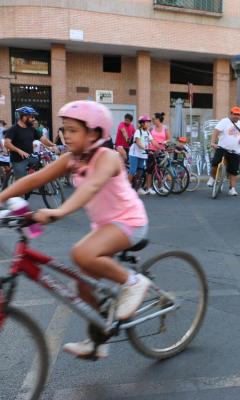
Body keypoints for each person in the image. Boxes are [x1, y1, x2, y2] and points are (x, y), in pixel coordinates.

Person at [0, 100, 150, 358]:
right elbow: (35, 179)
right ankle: (98, 339)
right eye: (64, 129)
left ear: (93, 133)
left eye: (72, 130)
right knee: (83, 283)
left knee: (81, 253)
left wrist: (59, 211)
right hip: (104, 227)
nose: (65, 136)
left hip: (129, 222)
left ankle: (134, 282)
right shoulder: (71, 159)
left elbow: (92, 186)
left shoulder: (109, 157)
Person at [4, 106, 55, 181]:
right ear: (24, 117)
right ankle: (20, 190)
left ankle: (41, 186)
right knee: (21, 183)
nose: (34, 119)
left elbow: (43, 139)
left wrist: (53, 145)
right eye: (31, 117)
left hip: (30, 156)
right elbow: (7, 143)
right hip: (18, 160)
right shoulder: (13, 129)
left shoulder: (31, 129)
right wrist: (19, 151)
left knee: (41, 164)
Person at [207, 106, 240, 196]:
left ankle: (232, 189)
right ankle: (212, 178)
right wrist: (212, 142)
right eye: (235, 114)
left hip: (236, 151)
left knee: (234, 171)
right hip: (223, 148)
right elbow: (216, 132)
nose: (237, 116)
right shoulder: (224, 121)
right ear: (230, 114)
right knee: (215, 163)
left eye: (238, 115)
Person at [128, 115, 156, 195]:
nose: (148, 124)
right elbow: (138, 142)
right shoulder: (138, 131)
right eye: (146, 122)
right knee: (133, 171)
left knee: (140, 172)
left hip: (142, 154)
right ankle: (126, 188)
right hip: (134, 154)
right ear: (142, 123)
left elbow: (153, 141)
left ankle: (138, 187)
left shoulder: (147, 132)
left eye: (148, 122)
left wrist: (159, 148)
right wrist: (145, 148)